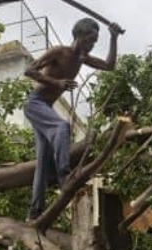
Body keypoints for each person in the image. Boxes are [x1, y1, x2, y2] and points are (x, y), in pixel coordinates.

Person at [23, 18, 121, 221]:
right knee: (61, 126)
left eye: (95, 42)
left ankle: (35, 213)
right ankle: (64, 176)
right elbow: (29, 70)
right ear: (79, 35)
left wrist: (113, 37)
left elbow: (109, 66)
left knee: (42, 161)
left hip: (46, 107)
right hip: (35, 103)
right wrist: (55, 82)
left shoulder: (82, 58)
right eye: (89, 40)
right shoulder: (59, 52)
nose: (91, 45)